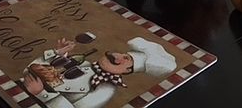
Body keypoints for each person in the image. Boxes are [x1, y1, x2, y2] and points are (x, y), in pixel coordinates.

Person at [22, 36, 177, 108]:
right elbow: (29, 70)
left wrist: (41, 93)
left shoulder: (105, 89)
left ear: (127, 70)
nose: (116, 55)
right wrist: (56, 53)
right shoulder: (85, 64)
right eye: (123, 54)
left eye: (125, 59)